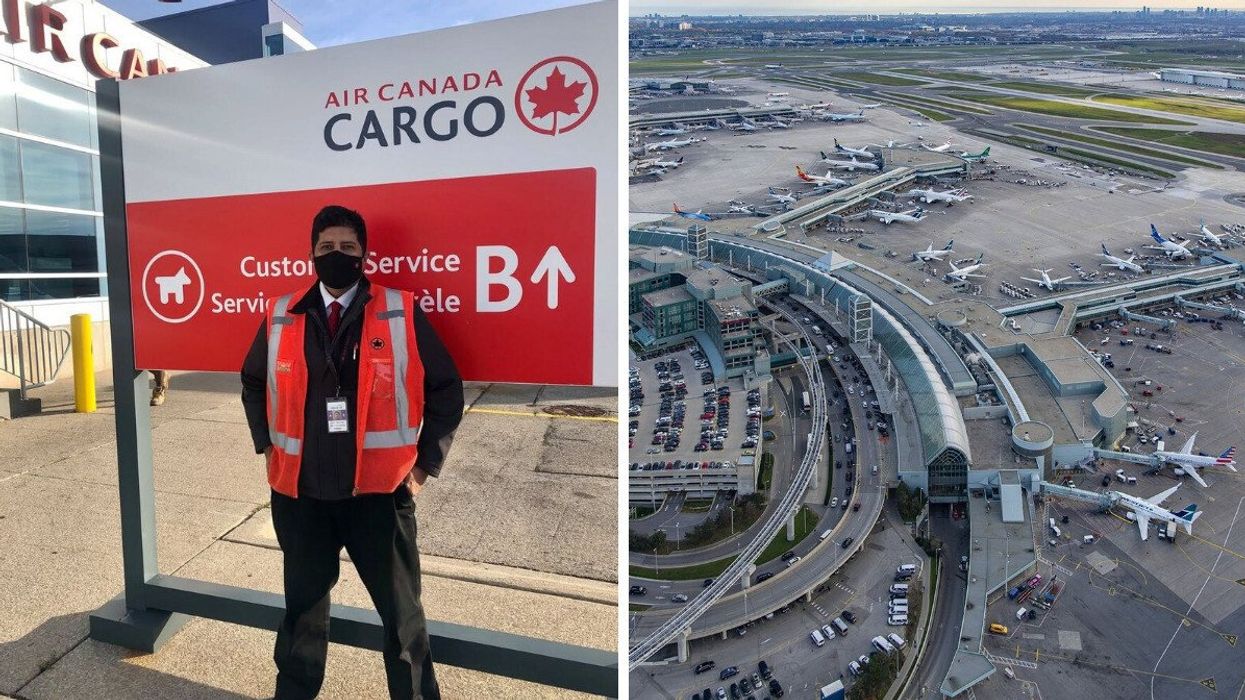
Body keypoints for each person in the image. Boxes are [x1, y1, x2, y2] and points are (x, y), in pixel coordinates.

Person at [241, 205, 464, 700]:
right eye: (326, 248)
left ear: (364, 254)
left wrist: (426, 466)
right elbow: (254, 382)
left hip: (379, 499)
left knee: (404, 623)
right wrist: (266, 445)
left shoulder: (400, 310)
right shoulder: (283, 313)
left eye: (347, 247)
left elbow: (447, 389)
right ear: (311, 255)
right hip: (302, 497)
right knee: (302, 616)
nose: (336, 256)